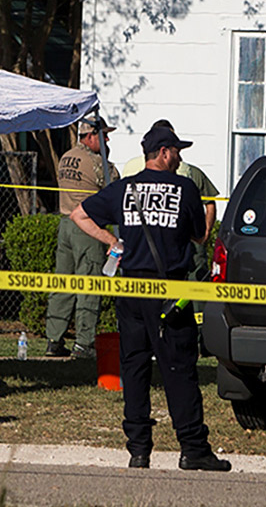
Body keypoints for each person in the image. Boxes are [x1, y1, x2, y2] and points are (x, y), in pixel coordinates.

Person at [71, 125, 231, 472]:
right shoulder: (185, 188)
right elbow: (200, 238)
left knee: (135, 368)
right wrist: (207, 213)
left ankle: (138, 450)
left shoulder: (122, 188)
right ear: (162, 153)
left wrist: (112, 242)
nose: (180, 156)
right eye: (176, 151)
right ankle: (193, 448)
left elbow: (78, 214)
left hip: (131, 291)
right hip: (169, 291)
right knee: (179, 370)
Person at [45, 116, 118, 357]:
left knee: (62, 284)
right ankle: (84, 343)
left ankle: (53, 339)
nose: (107, 139)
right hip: (88, 227)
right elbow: (113, 189)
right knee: (89, 285)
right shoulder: (98, 163)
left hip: (64, 223)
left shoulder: (66, 157)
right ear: (89, 136)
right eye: (103, 135)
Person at [117, 118, 220, 279]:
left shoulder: (130, 168)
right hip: (178, 242)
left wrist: (114, 240)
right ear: (165, 151)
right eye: (176, 150)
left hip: (138, 244)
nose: (178, 159)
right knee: (192, 285)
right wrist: (204, 234)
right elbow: (209, 203)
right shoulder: (188, 172)